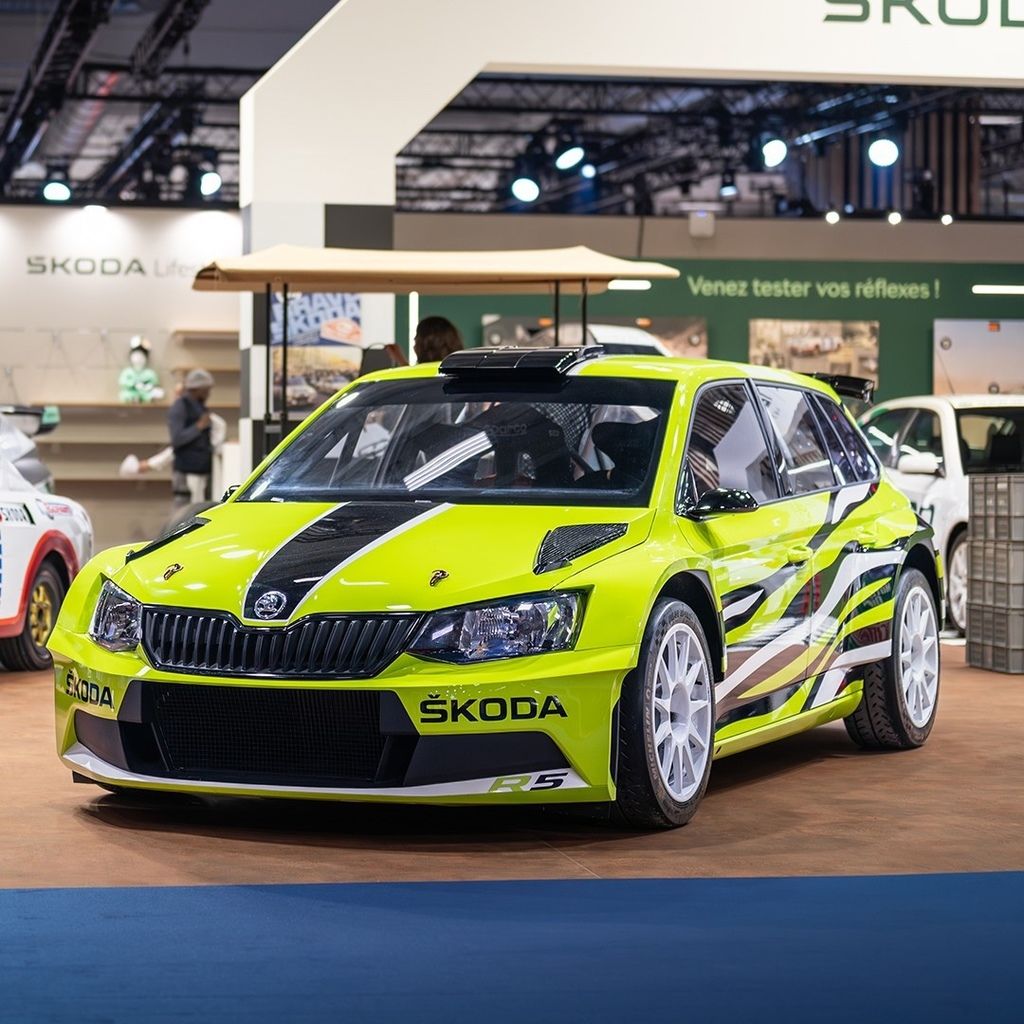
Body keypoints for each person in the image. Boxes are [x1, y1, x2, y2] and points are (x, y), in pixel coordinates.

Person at [167, 368, 214, 508]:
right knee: (182, 512)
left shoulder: (200, 407)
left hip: (200, 470)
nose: (208, 393)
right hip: (186, 472)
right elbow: (177, 439)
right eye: (206, 389)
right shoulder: (180, 407)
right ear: (197, 389)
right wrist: (198, 427)